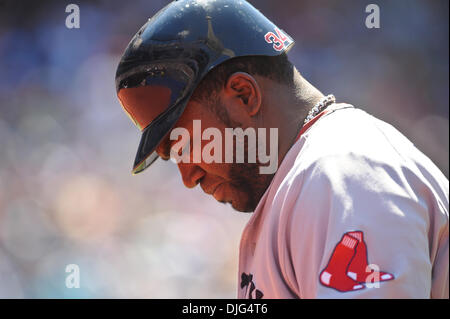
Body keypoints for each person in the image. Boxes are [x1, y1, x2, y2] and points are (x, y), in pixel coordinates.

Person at [115, 0, 449, 298]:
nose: (188, 176)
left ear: (244, 94)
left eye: (182, 144)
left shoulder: (343, 174)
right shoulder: (305, 179)